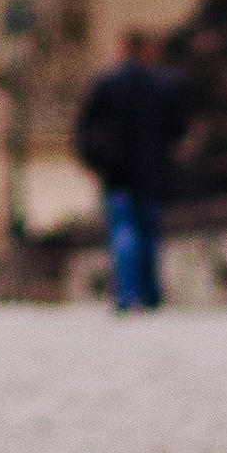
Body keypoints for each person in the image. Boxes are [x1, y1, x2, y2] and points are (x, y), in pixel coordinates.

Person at [75, 30, 190, 314]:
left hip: (118, 172)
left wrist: (96, 162)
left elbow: (85, 130)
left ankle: (127, 293)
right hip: (152, 172)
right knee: (149, 233)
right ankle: (150, 292)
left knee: (123, 232)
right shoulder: (163, 85)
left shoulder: (106, 84)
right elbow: (178, 131)